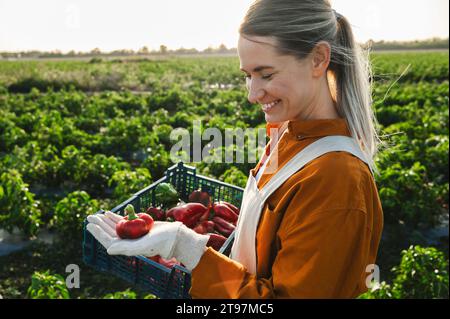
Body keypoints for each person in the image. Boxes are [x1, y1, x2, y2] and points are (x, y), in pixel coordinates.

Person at [87, 0, 384, 298]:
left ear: (318, 59)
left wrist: (187, 247)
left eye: (266, 74)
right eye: (247, 76)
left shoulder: (336, 179)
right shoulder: (287, 135)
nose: (252, 94)